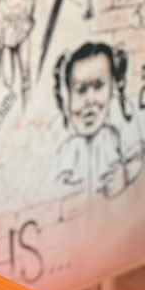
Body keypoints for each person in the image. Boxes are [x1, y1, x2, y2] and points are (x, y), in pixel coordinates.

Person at [53, 42, 143, 199]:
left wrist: (123, 176)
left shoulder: (117, 128)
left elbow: (136, 160)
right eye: (81, 90)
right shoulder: (65, 145)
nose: (90, 100)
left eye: (99, 86)